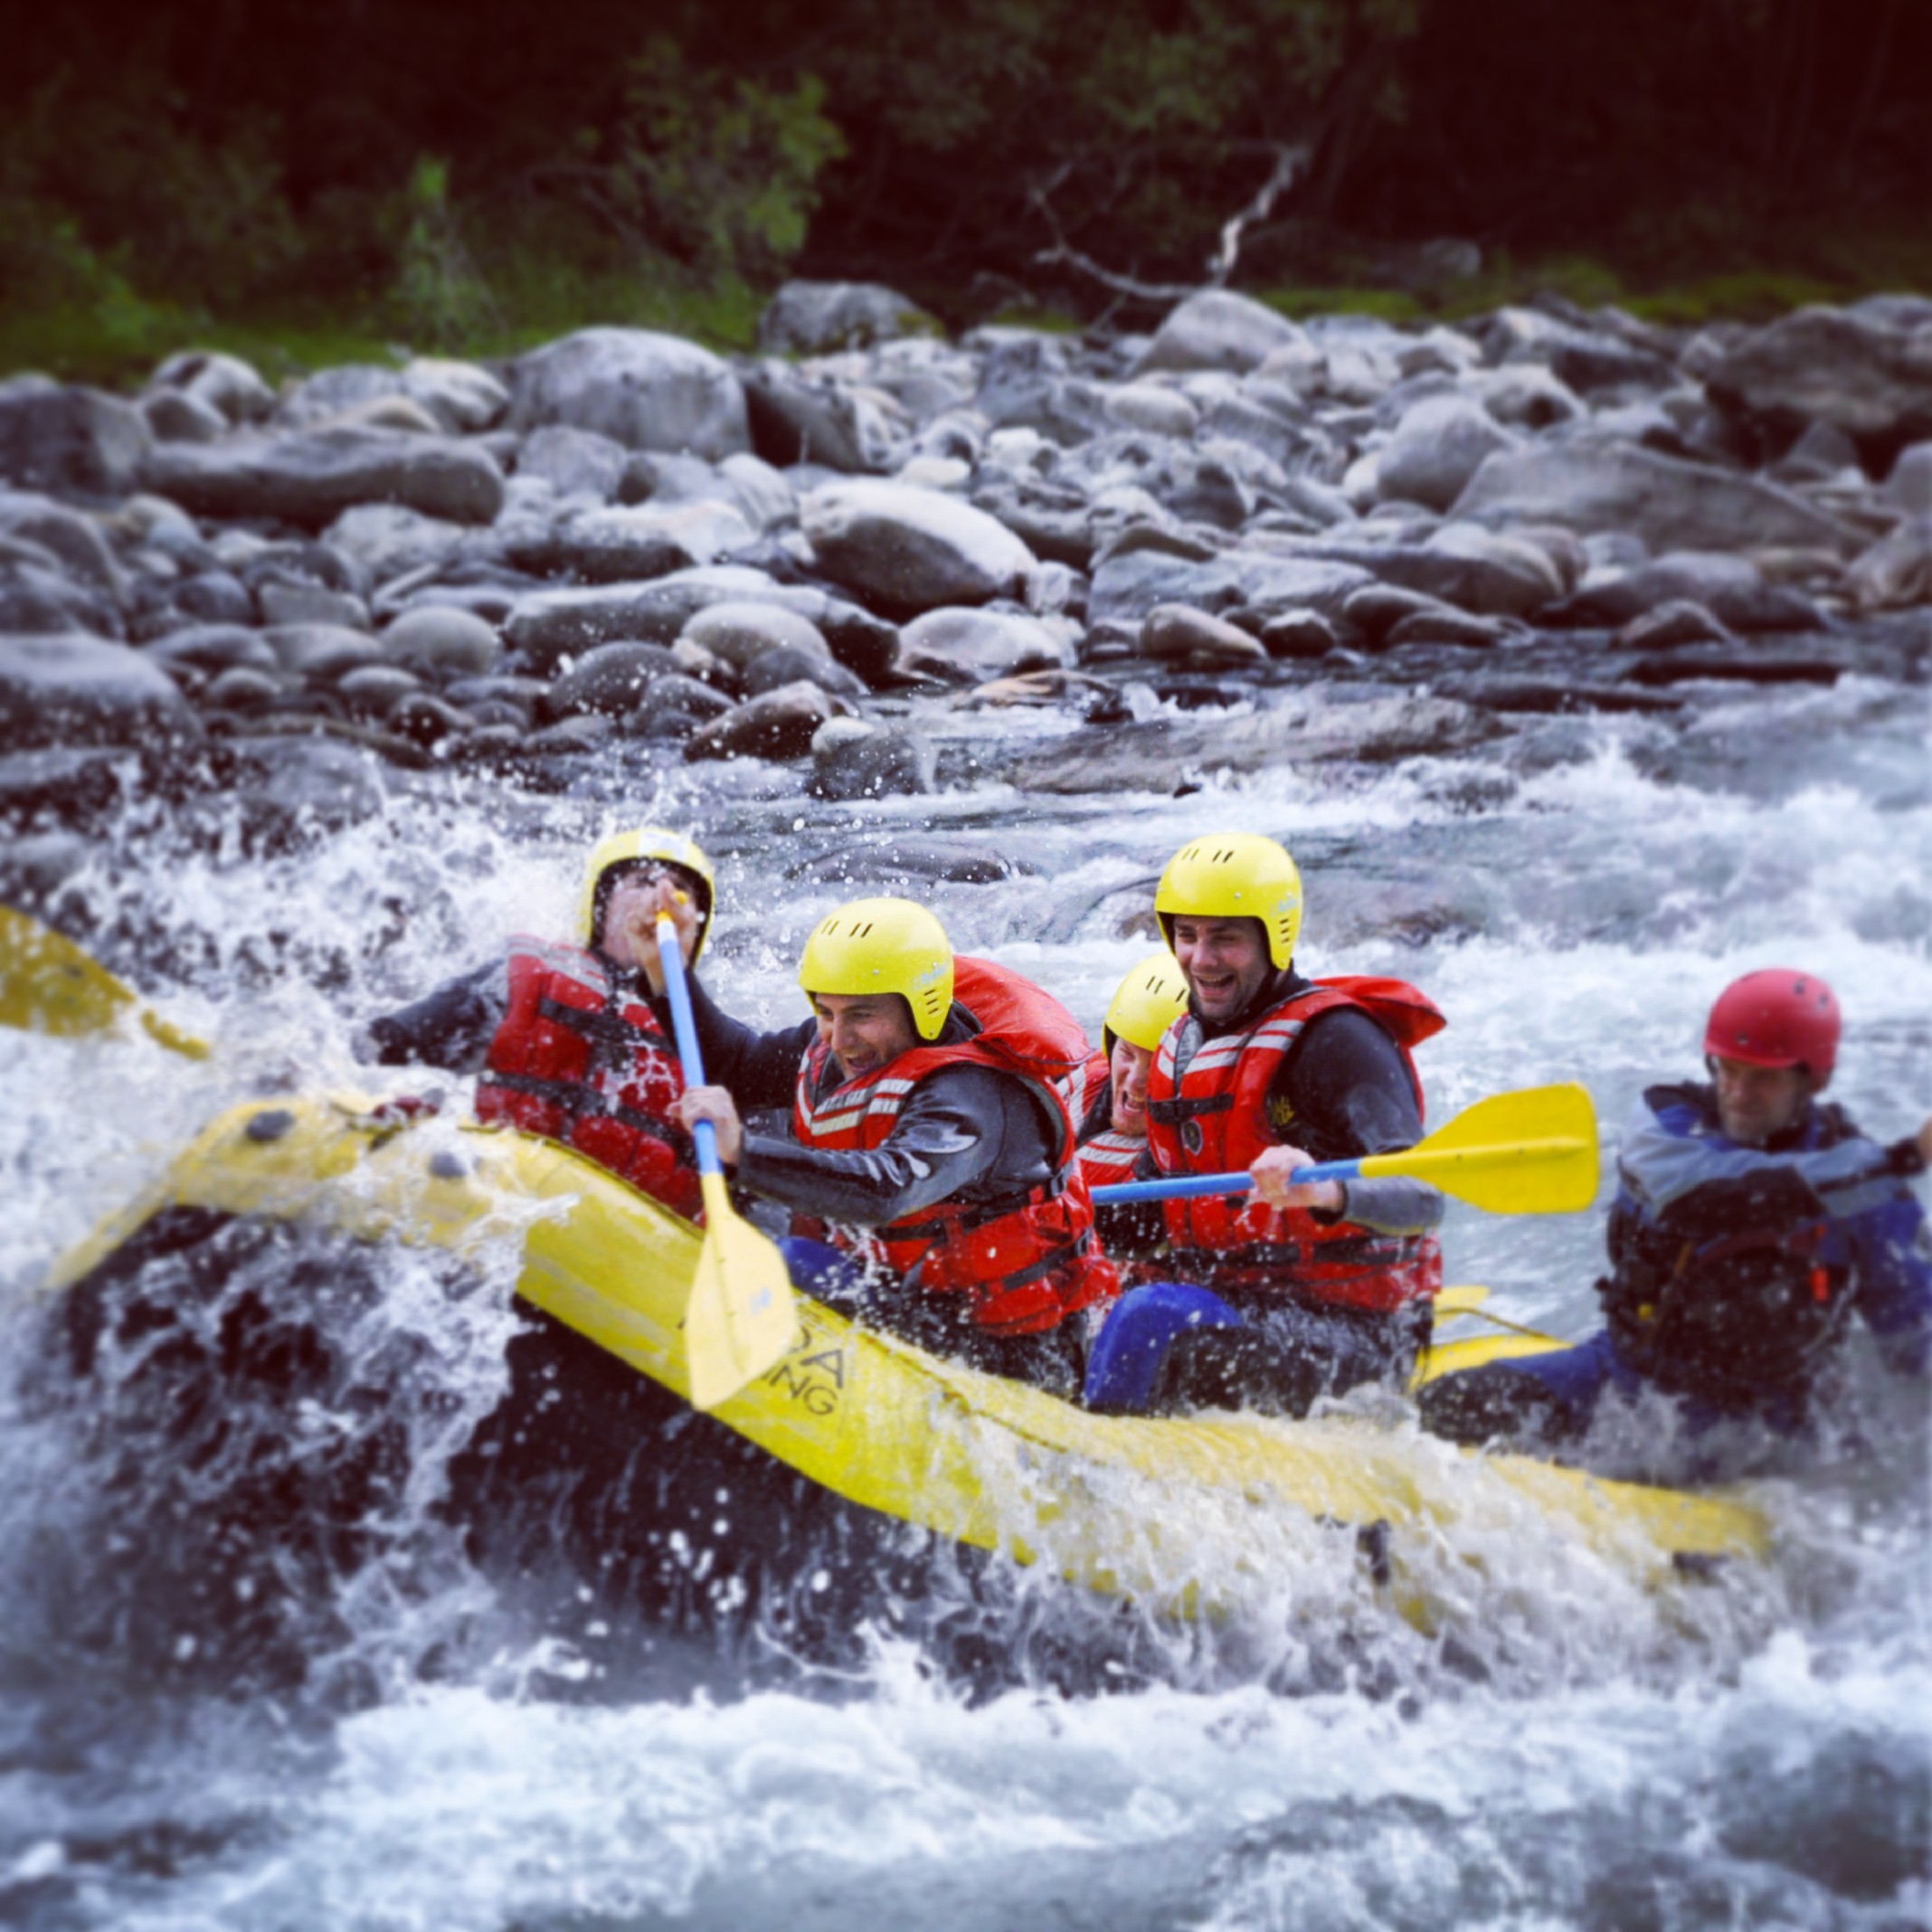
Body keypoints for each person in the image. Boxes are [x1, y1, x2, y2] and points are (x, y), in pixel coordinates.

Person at [1418, 969, 1932, 1464]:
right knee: (1436, 1410)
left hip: (1763, 1435)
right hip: (1625, 1383)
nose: (1738, 1092)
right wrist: (1901, 1159)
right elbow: (1704, 1194)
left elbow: (1917, 1340)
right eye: (1728, 1068)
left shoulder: (1874, 1199)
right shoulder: (1667, 1122)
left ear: (1813, 1080)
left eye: (1763, 1078)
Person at [645, 890, 1118, 1396]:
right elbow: (740, 1063)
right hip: (917, 1299)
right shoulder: (844, 1045)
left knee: (796, 1262)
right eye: (826, 1012)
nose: (839, 1039)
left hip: (1020, 1355)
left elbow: (889, 1189)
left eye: (861, 1016)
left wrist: (743, 1150)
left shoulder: (970, 1096)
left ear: (921, 1008)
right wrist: (661, 974)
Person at [1084, 832, 1447, 1417]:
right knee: (1081, 1297)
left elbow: (1422, 1194)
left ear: (1274, 938)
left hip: (1356, 1331)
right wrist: (1050, 1216)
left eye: (1225, 939)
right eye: (1187, 936)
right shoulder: (1182, 1047)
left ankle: (1094, 1457)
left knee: (1148, 1318)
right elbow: (1149, 1211)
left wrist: (1325, 1189)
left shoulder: (1336, 1041)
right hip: (1238, 1301)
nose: (1202, 959)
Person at [361, 826, 714, 1219]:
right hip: (499, 1197)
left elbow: (744, 1172)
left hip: (631, 1233)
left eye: (680, 889)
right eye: (642, 882)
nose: (660, 897)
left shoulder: (710, 1042)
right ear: (602, 906)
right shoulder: (525, 975)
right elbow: (388, 1045)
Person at [1075, 950, 1190, 1255]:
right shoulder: (1078, 1086)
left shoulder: (1205, 1149)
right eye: (1127, 1053)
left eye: (1157, 1064)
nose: (1137, 1080)